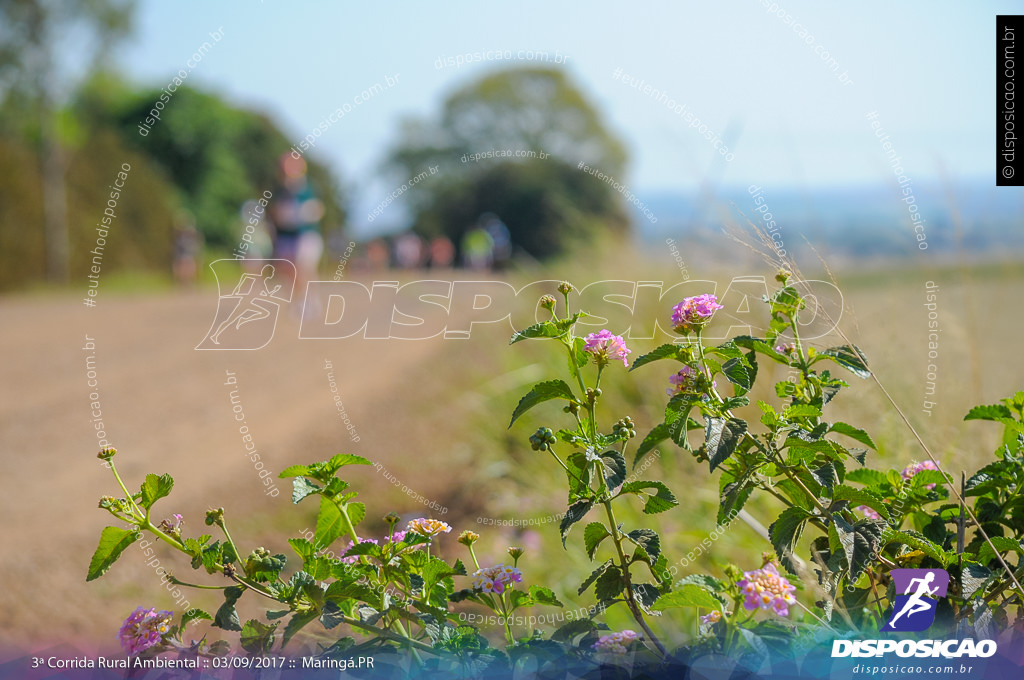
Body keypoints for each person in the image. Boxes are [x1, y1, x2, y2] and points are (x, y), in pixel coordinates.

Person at [268, 154, 324, 318]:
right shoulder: (279, 190)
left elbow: (318, 209)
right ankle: (298, 301)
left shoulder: (308, 188)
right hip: (286, 236)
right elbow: (274, 212)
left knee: (303, 267)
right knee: (288, 270)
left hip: (306, 234)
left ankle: (310, 301)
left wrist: (305, 214)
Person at [172, 213, 203, 287]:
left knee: (190, 267)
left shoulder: (192, 235)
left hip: (188, 254)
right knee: (182, 268)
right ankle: (182, 283)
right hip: (182, 254)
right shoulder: (179, 235)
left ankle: (190, 283)